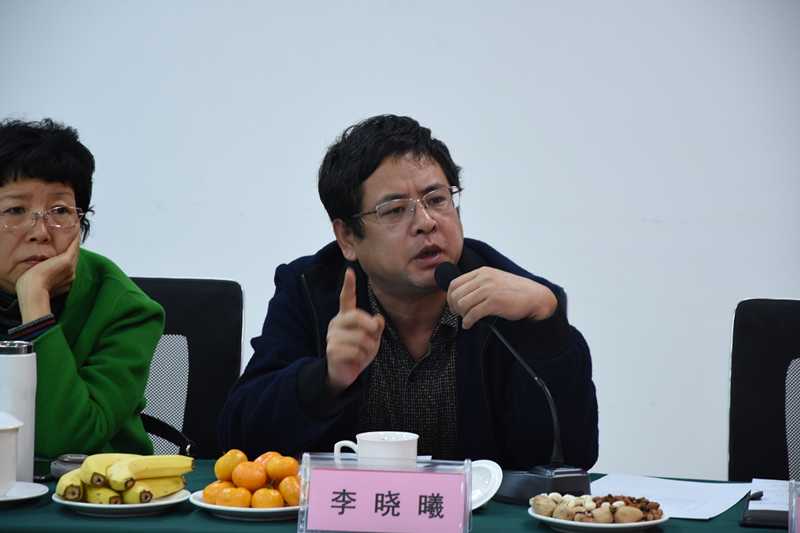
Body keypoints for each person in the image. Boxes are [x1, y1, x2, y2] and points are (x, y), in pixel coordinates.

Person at [219, 114, 598, 469]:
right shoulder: (310, 289)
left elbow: (571, 458)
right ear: (347, 237)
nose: (426, 222)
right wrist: (325, 380)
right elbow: (238, 437)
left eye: (437, 199)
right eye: (395, 210)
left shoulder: (514, 302)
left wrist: (546, 328)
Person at [0, 118, 164, 460]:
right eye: (15, 210)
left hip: (93, 488)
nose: (40, 232)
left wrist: (35, 303)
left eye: (60, 211)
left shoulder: (126, 308)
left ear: (80, 222)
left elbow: (67, 443)